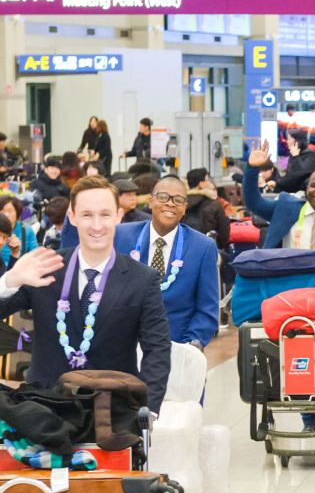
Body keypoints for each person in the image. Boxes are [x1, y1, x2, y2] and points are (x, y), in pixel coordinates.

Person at [0, 176, 171, 411]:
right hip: (45, 409)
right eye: (87, 215)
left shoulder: (142, 279)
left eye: (105, 214)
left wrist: (147, 411)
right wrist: (10, 279)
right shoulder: (46, 266)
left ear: (119, 216)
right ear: (73, 217)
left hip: (114, 412)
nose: (97, 225)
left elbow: (157, 349)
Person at [114, 175, 219, 350]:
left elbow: (207, 310)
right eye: (163, 197)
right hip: (124, 349)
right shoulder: (122, 236)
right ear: (150, 201)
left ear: (185, 208)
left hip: (177, 348)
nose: (170, 204)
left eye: (178, 200)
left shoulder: (202, 247)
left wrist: (188, 348)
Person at [244, 142, 315, 261]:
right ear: (307, 189)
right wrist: (252, 169)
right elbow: (253, 202)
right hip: (286, 277)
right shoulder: (285, 208)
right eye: (314, 185)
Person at [183, 168, 230, 250]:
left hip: (184, 248)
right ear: (201, 184)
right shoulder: (214, 204)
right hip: (207, 249)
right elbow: (224, 233)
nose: (210, 183)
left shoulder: (181, 203)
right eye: (208, 180)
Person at [0, 196, 38, 267]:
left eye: (10, 211)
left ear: (17, 212)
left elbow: (35, 254)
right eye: (2, 211)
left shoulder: (26, 230)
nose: (6, 215)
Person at [277, 129, 315, 193]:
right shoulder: (292, 154)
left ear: (297, 141)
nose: (287, 141)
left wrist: (296, 157)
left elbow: (301, 174)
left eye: (289, 139)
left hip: (303, 191)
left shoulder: (310, 154)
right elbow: (290, 174)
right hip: (291, 190)